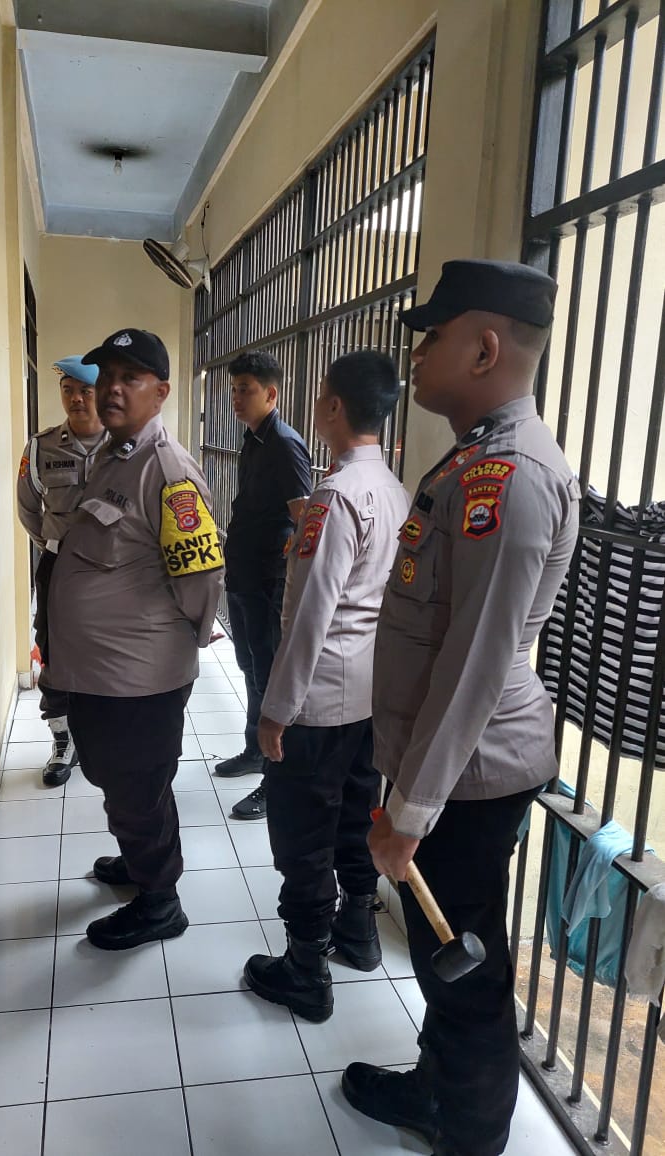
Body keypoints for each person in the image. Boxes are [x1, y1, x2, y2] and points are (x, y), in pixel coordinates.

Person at [341, 260, 581, 1156]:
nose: (414, 355)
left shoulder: (507, 476)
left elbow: (476, 662)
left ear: (483, 349)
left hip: (470, 774)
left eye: (431, 337)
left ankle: (471, 1134)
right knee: (443, 956)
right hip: (448, 764)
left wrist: (409, 810)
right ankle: (435, 1089)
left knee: (465, 967)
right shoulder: (475, 455)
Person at [243, 351, 411, 1023]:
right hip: (369, 694)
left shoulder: (335, 496)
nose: (315, 406)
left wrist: (275, 711)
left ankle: (305, 968)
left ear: (334, 407)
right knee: (353, 816)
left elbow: (310, 613)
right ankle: (359, 932)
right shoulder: (394, 489)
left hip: (319, 700)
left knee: (303, 834)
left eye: (318, 396)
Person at [44, 329, 223, 950]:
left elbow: (202, 577)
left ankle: (159, 901)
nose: (112, 389)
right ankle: (138, 857)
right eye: (108, 376)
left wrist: (178, 645)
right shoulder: (116, 456)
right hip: (102, 672)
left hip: (138, 678)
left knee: (138, 785)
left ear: (161, 392)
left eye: (131, 378)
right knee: (120, 779)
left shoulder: (167, 471)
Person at [214, 351, 312, 820]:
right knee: (250, 667)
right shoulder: (253, 439)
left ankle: (277, 780)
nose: (237, 398)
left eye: (246, 390)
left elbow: (303, 519)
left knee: (271, 676)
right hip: (245, 574)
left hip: (269, 580)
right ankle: (255, 751)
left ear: (271, 393)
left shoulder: (285, 444)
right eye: (234, 389)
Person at [17, 356, 108, 787]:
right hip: (59, 565)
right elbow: (28, 506)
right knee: (53, 649)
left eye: (85, 391)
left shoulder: (126, 445)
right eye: (68, 390)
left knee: (111, 651)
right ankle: (62, 741)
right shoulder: (42, 446)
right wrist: (54, 546)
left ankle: (104, 737)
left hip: (113, 569)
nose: (76, 399)